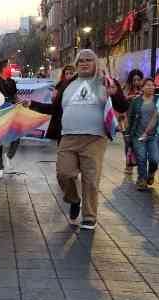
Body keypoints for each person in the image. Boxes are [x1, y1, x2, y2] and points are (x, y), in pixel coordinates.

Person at [28, 49, 129, 230]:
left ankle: (89, 217)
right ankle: (74, 199)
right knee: (64, 174)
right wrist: (32, 105)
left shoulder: (105, 82)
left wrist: (114, 93)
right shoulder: (67, 84)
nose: (84, 63)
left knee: (90, 179)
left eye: (88, 60)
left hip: (95, 138)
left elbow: (122, 106)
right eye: (80, 60)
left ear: (95, 63)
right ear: (76, 64)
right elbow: (55, 109)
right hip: (68, 137)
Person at [126, 78, 159, 190]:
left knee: (154, 159)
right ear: (143, 87)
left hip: (154, 135)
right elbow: (130, 118)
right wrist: (127, 134)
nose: (151, 87)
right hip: (138, 135)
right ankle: (142, 179)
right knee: (141, 157)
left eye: (152, 85)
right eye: (148, 85)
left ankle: (151, 173)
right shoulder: (136, 101)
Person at [0, 60, 20, 178]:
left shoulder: (12, 82)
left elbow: (15, 96)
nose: (10, 68)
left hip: (12, 112)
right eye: (8, 66)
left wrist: (20, 103)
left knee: (16, 137)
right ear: (3, 68)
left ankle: (9, 155)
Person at [121, 70, 145, 175]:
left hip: (141, 121)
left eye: (138, 79)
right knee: (128, 143)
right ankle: (129, 164)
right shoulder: (125, 88)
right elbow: (120, 102)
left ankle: (140, 166)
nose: (136, 82)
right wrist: (129, 97)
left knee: (139, 144)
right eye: (134, 79)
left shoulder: (145, 89)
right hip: (127, 120)